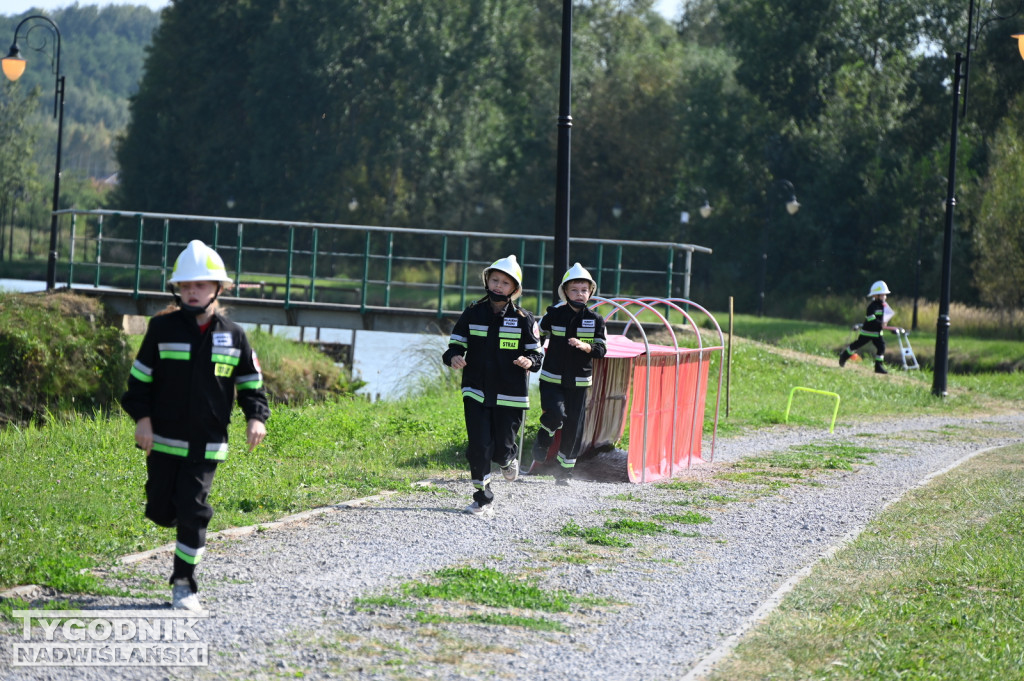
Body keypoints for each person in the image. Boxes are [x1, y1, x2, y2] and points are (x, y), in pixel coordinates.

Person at [120, 240, 270, 612]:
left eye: (200, 285)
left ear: (217, 289)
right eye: (186, 286)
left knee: (194, 509)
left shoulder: (234, 335)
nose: (192, 292)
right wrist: (142, 419)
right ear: (178, 289)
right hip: (164, 440)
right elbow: (139, 383)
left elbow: (251, 384)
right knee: (159, 510)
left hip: (207, 444)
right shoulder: (161, 329)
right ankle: (176, 520)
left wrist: (256, 418)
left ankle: (185, 583)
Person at [442, 255, 543, 517]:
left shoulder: (524, 318)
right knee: (478, 444)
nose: (498, 286)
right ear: (487, 280)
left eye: (505, 283)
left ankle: (508, 459)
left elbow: (537, 355)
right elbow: (455, 344)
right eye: (495, 280)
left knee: (500, 450)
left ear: (514, 289)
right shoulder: (473, 312)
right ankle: (482, 497)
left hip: (510, 394)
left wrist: (528, 360)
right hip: (475, 388)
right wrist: (453, 355)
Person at [525, 263, 607, 485]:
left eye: (584, 290)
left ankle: (564, 473)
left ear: (590, 293)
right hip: (551, 377)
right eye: (574, 289)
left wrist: (586, 347)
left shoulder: (596, 320)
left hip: (579, 381)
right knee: (556, 414)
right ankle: (544, 437)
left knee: (574, 427)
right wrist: (530, 356)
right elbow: (535, 337)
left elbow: (601, 350)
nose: (580, 294)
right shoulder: (553, 315)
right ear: (565, 292)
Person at [839, 280, 890, 375]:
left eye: (885, 295)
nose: (885, 297)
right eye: (883, 295)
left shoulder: (884, 306)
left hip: (877, 333)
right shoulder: (872, 307)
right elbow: (871, 319)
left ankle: (878, 366)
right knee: (857, 345)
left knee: (881, 347)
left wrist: (885, 321)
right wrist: (880, 324)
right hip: (868, 332)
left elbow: (884, 317)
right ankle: (844, 356)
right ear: (876, 296)